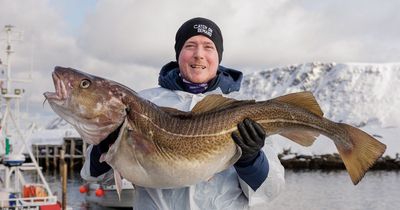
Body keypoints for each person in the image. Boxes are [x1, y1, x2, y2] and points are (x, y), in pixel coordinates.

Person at [81, 17, 285, 210]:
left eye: (208, 47)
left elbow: (270, 189)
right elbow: (93, 176)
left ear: (218, 56)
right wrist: (106, 144)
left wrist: (251, 159)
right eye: (189, 46)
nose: (199, 54)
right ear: (178, 54)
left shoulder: (243, 110)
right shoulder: (140, 104)